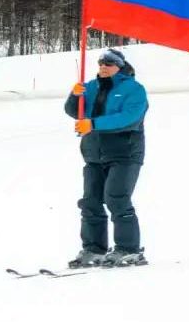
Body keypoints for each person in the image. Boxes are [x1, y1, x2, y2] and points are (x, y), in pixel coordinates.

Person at [63, 48, 149, 268]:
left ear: (120, 66)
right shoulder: (90, 87)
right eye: (101, 63)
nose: (103, 67)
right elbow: (76, 112)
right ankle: (93, 249)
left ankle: (129, 249)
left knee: (116, 199)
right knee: (90, 202)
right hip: (93, 153)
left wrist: (93, 124)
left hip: (125, 154)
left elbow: (129, 118)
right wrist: (74, 96)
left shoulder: (133, 89)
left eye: (109, 64)